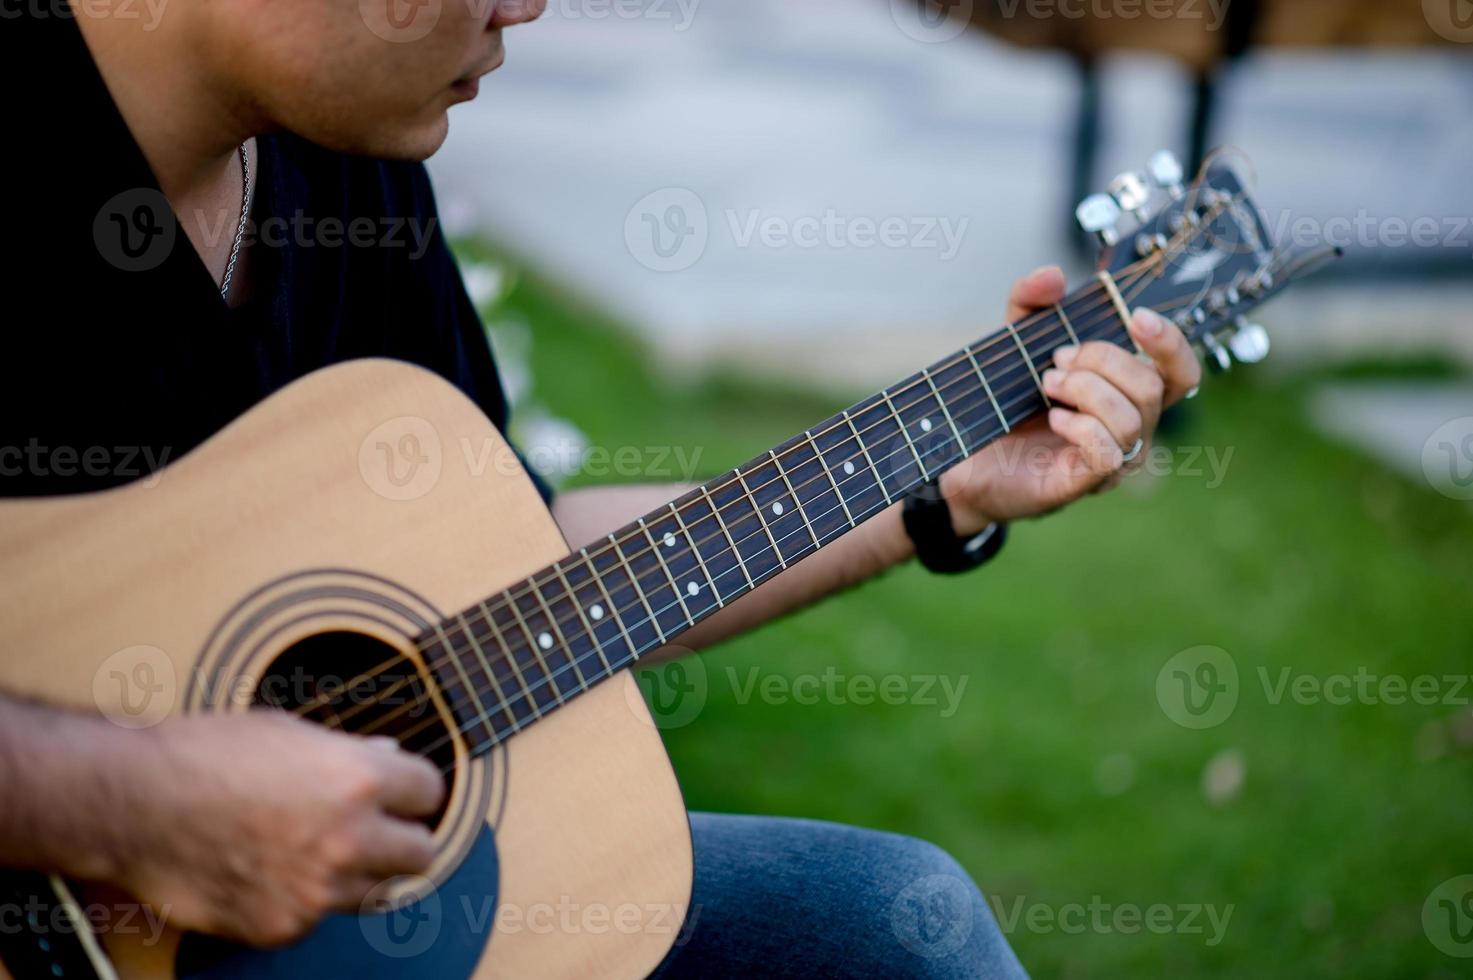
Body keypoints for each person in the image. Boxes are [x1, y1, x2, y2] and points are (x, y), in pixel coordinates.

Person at [0, 1, 1201, 975]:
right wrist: (129, 805)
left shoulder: (338, 160)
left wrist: (941, 486)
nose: (529, 6)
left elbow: (516, 555)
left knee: (892, 919)